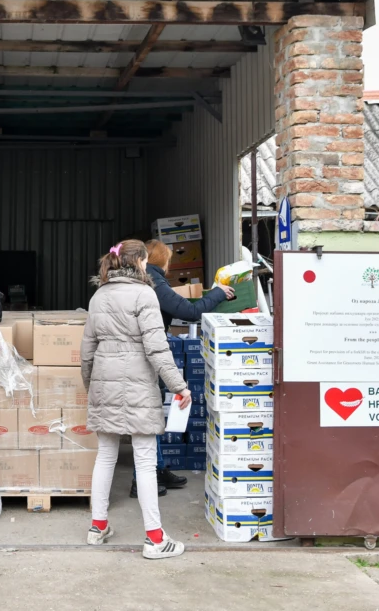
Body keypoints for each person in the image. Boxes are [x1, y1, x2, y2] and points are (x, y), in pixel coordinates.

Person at [81, 240, 191, 559]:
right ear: (140, 262)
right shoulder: (145, 294)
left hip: (104, 381)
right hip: (138, 385)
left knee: (105, 455)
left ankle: (97, 526)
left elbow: (87, 352)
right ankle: (155, 539)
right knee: (144, 459)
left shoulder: (99, 295)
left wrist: (93, 388)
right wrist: (179, 386)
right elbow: (157, 349)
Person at [128, 239, 236, 498]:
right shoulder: (153, 281)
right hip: (145, 357)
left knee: (151, 414)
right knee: (147, 417)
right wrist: (218, 293)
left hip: (139, 355)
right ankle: (141, 480)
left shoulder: (139, 280)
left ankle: (158, 468)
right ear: (160, 260)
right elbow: (189, 311)